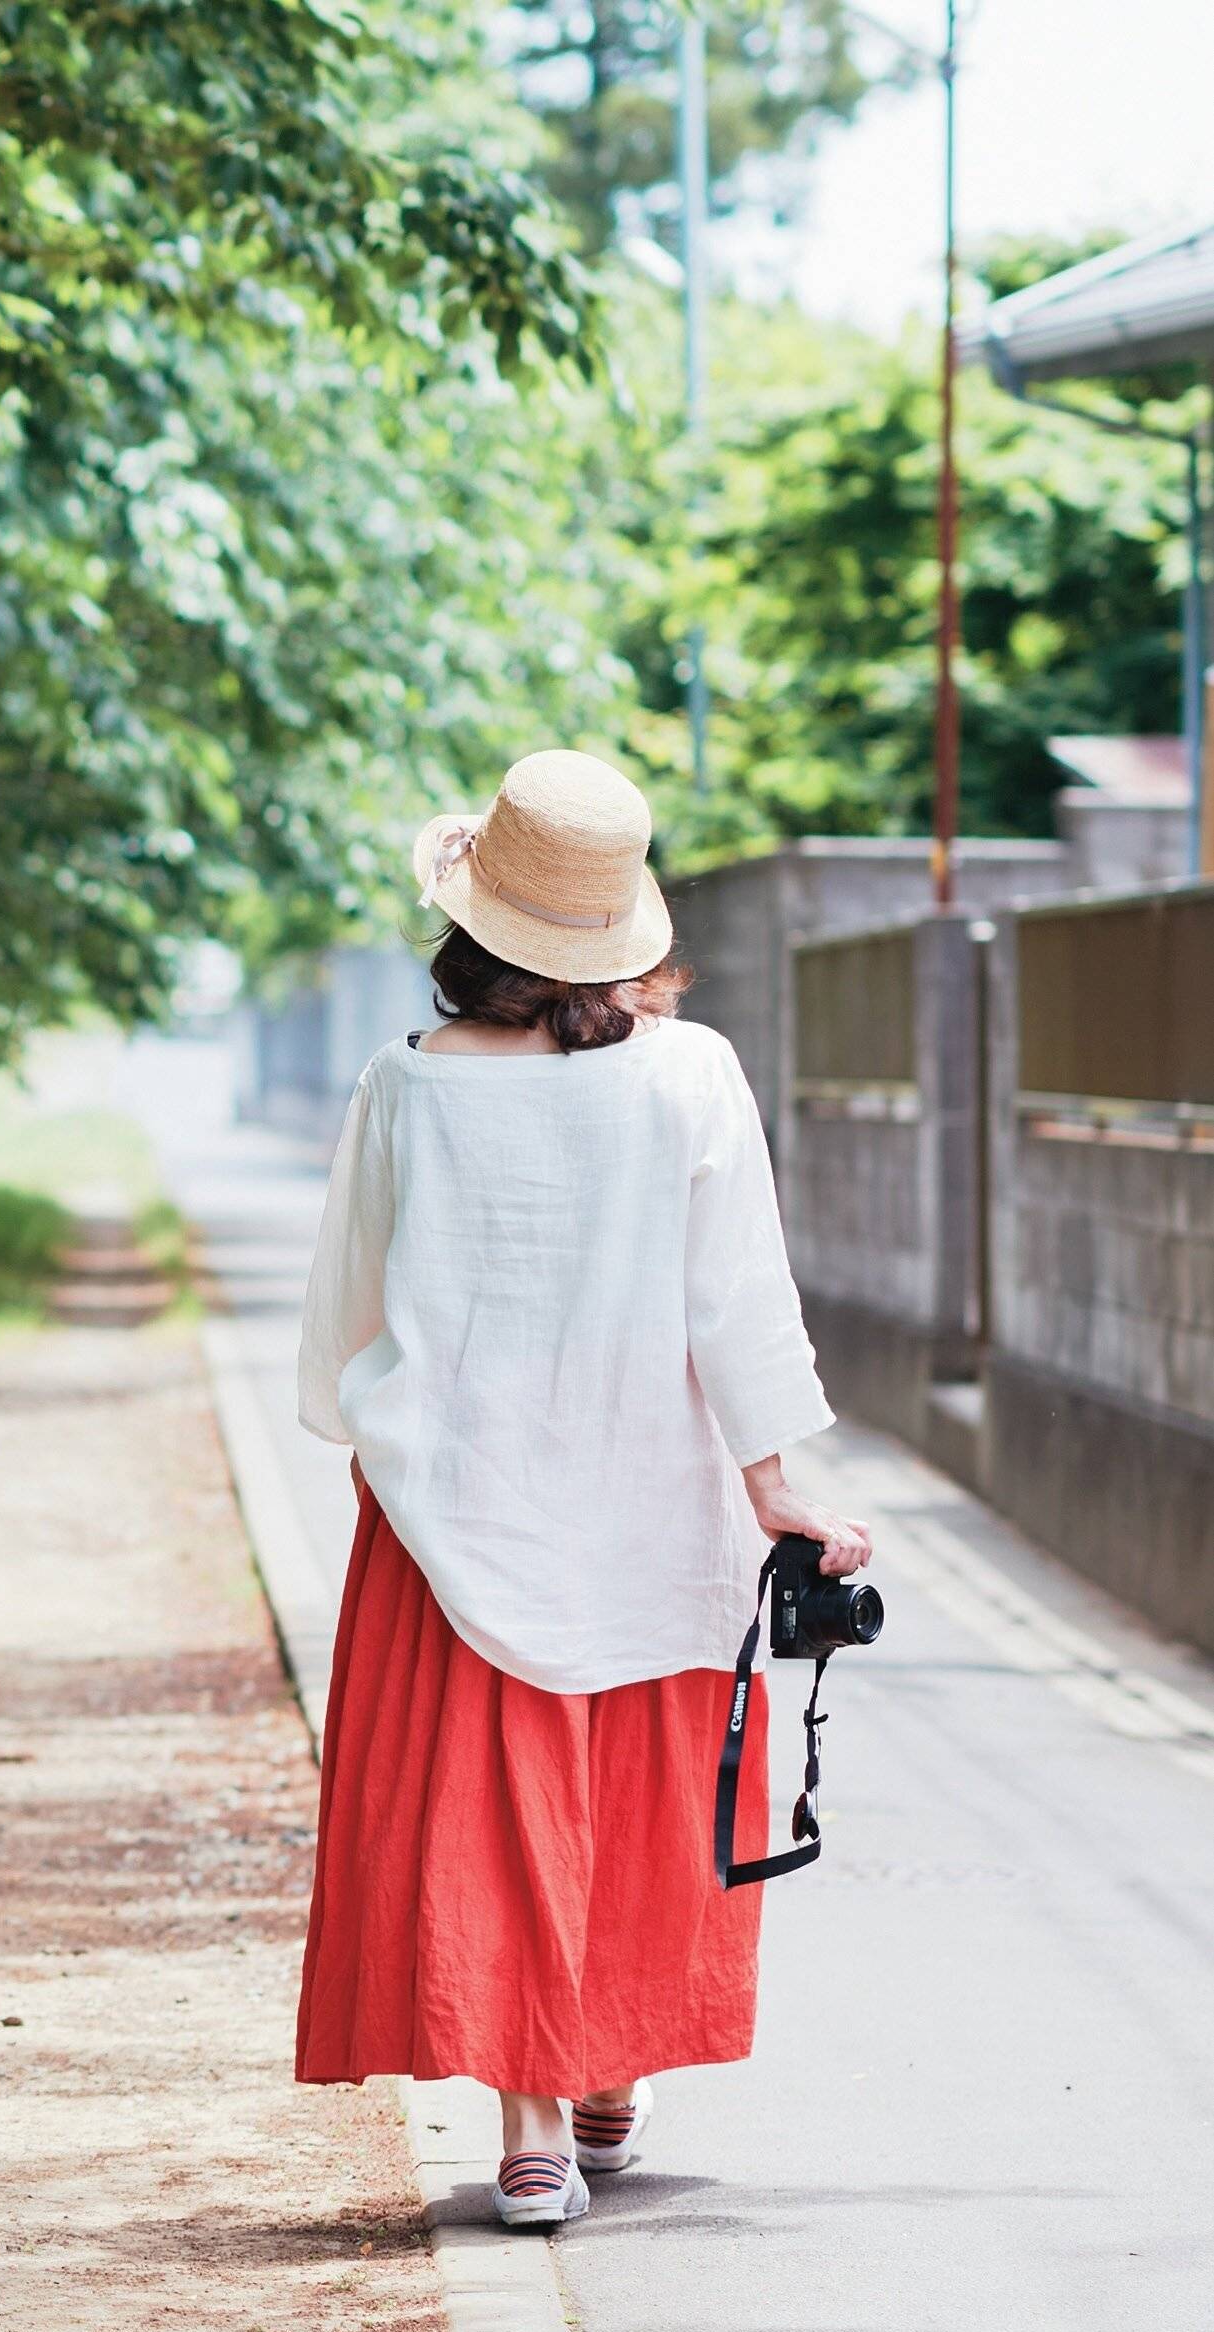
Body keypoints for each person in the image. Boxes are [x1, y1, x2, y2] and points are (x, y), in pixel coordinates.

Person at [290, 748, 872, 2230]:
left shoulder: (402, 1085)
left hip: (459, 1509)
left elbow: (349, 1314)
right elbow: (738, 1301)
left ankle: (532, 2128)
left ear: (472, 926)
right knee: (637, 1784)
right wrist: (774, 1485)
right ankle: (606, 2073)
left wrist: (402, 1420)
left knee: (496, 1804)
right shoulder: (689, 1072)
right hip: (653, 1495)